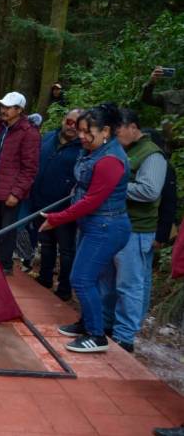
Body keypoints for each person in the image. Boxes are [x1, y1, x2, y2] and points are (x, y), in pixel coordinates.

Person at [41, 103, 130, 353]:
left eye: (87, 131)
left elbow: (92, 201)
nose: (81, 136)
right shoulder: (92, 151)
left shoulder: (111, 160)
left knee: (81, 278)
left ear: (105, 131)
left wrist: (57, 218)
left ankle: (97, 336)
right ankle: (87, 322)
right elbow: (81, 189)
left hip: (107, 226)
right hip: (93, 225)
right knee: (85, 277)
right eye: (80, 130)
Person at [100, 108, 166, 353]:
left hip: (137, 230)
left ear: (132, 127)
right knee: (106, 280)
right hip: (115, 225)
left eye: (118, 130)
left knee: (130, 284)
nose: (115, 136)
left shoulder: (152, 155)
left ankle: (125, 335)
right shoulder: (124, 151)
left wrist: (113, 187)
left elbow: (150, 191)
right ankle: (106, 325)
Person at [0, 92, 40, 275]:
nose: (4, 110)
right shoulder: (1, 127)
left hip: (11, 190)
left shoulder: (29, 133)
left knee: (7, 230)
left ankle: (4, 265)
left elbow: (30, 168)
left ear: (19, 110)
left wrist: (17, 192)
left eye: (8, 107)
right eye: (3, 107)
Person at [30, 109, 82, 300]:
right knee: (46, 243)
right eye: (69, 121)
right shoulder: (49, 137)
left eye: (76, 124)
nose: (71, 126)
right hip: (41, 201)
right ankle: (45, 278)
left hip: (65, 206)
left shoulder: (83, 147)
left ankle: (64, 288)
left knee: (67, 249)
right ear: (63, 120)